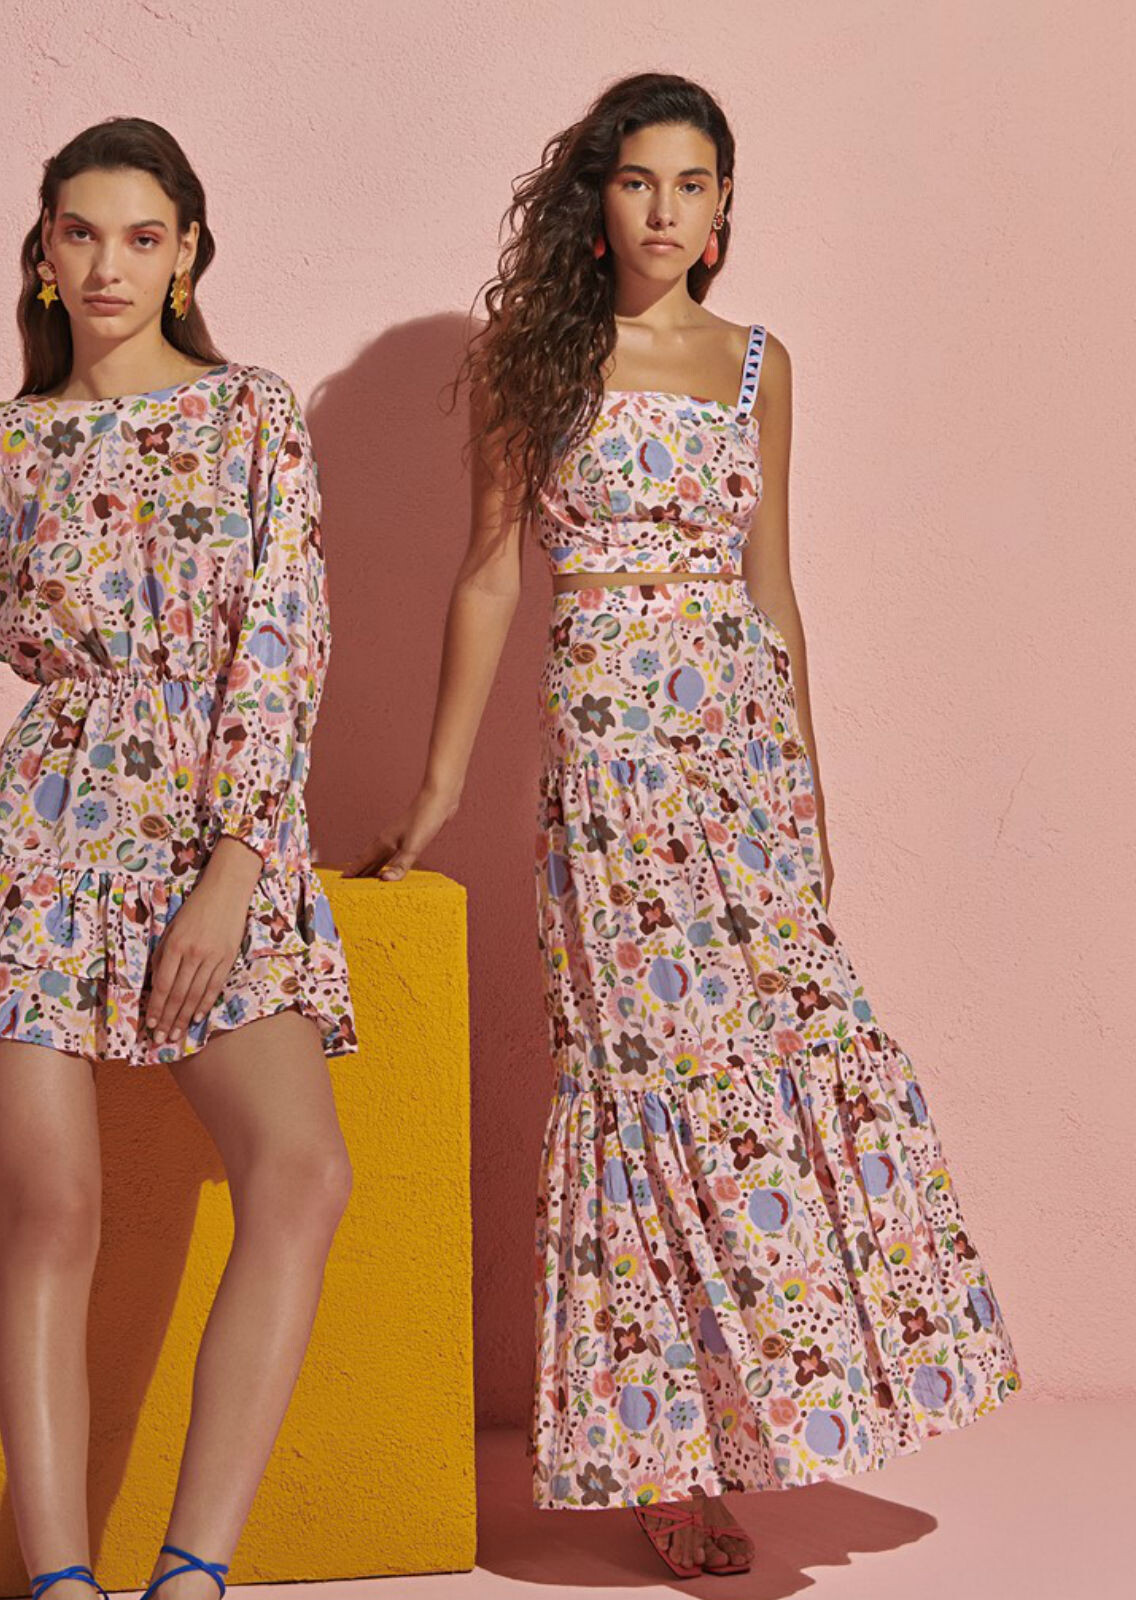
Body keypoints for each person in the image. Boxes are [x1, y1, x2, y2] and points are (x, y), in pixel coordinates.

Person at [349, 72, 1022, 1578]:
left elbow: (773, 586)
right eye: (640, 179)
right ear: (598, 201)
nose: (666, 209)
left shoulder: (758, 365)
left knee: (785, 1060)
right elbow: (489, 575)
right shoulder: (537, 362)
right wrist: (441, 786)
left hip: (740, 753)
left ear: (724, 209)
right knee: (645, 1076)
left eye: (694, 183)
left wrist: (808, 783)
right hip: (610, 757)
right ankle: (665, 1462)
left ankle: (776, 1411)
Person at [0, 117, 356, 1600]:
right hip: (44, 834)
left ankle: (193, 1572)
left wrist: (234, 865)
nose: (109, 265)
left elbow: (286, 638)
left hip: (217, 823)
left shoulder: (251, 413)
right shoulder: (13, 443)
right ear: (42, 252)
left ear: (188, 253)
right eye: (81, 233)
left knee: (302, 1173)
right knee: (48, 1210)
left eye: (142, 237)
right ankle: (60, 1584)